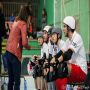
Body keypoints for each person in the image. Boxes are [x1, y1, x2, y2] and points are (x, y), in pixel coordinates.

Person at [51, 16, 87, 90]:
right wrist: (51, 60)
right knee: (56, 70)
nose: (63, 29)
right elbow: (60, 53)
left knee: (62, 66)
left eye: (64, 26)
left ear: (69, 27)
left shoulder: (77, 37)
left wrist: (57, 61)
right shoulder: (68, 41)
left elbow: (68, 55)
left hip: (81, 72)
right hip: (72, 71)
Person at [5, 5, 31, 90]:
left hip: (8, 53)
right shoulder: (22, 24)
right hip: (14, 55)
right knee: (17, 82)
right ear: (27, 16)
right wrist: (29, 47)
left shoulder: (16, 22)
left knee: (11, 80)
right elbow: (24, 42)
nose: (30, 20)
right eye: (30, 17)